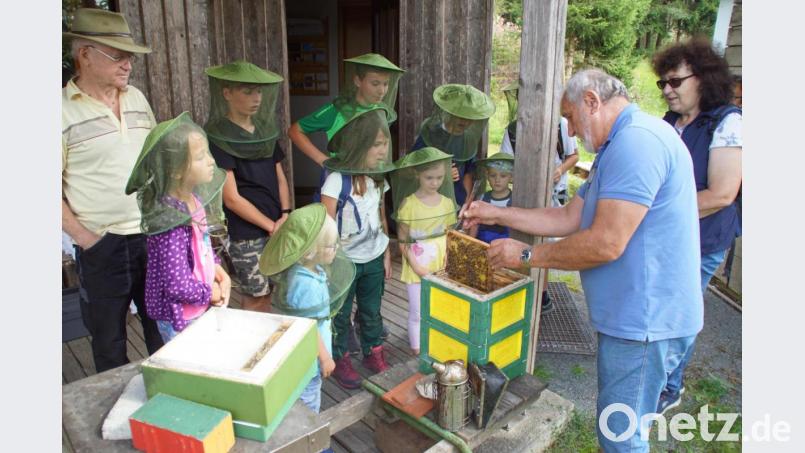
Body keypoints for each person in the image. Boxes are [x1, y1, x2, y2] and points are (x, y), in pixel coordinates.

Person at [463, 69, 703, 452]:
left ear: (592, 101)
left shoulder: (637, 143)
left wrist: (527, 254)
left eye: (571, 117)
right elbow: (568, 218)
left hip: (646, 321)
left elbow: (606, 243)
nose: (570, 132)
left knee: (620, 436)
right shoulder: (618, 145)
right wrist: (497, 214)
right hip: (636, 318)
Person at [62, 8, 164, 371]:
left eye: (130, 58)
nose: (128, 66)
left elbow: (156, 160)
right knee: (108, 341)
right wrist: (88, 240)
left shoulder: (136, 98)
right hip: (102, 245)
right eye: (118, 56)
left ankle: (168, 414)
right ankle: (116, 422)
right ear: (85, 55)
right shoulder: (58, 111)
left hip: (152, 236)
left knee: (163, 332)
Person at [652, 37, 742, 415]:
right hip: (668, 238)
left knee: (680, 316)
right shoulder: (671, 123)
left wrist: (656, 212)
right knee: (659, 310)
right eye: (663, 84)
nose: (668, 90)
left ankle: (670, 386)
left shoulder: (728, 123)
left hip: (703, 241)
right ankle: (657, 374)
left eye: (675, 82)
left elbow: (721, 194)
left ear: (703, 78)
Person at [125, 112, 232, 342]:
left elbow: (202, 246)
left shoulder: (193, 200)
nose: (212, 161)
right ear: (175, 169)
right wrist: (209, 292)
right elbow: (176, 285)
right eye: (202, 156)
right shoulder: (170, 221)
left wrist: (216, 268)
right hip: (181, 319)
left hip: (198, 307)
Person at [204, 60, 291, 313]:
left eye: (259, 91)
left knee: (274, 292)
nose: (256, 98)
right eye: (247, 91)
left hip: (277, 225)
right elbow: (231, 198)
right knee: (256, 296)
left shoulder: (264, 130)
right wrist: (270, 225)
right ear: (227, 93)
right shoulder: (219, 136)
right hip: (247, 233)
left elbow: (280, 177)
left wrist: (284, 215)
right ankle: (257, 350)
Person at [320, 107, 394, 389]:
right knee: (339, 313)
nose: (383, 150)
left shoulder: (378, 177)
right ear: (358, 145)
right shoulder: (336, 181)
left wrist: (386, 251)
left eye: (384, 143)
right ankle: (341, 358)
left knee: (371, 311)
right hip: (344, 262)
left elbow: (381, 215)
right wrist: (329, 266)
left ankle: (373, 352)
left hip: (374, 258)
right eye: (377, 144)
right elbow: (325, 228)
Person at [259, 203, 356, 413]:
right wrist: (325, 357)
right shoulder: (306, 285)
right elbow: (307, 327)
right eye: (331, 245)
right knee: (308, 399)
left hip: (307, 354)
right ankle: (312, 441)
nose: (336, 248)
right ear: (311, 251)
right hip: (308, 358)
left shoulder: (309, 269)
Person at [500, 82, 579, 314]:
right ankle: (519, 290)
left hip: (554, 195)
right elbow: (506, 163)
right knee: (522, 238)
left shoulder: (562, 126)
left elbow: (574, 156)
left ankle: (542, 295)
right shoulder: (513, 130)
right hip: (524, 194)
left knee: (544, 242)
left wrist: (559, 170)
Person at [390, 148, 458, 355]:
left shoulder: (447, 203)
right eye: (429, 177)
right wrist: (416, 264)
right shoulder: (409, 204)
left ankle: (438, 341)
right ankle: (417, 348)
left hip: (441, 263)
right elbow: (402, 240)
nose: (435, 183)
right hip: (417, 263)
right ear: (417, 174)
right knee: (417, 311)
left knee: (442, 307)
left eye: (439, 178)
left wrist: (448, 260)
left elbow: (450, 236)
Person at [288, 53, 405, 167]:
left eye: (386, 84)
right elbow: (295, 131)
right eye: (375, 84)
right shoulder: (336, 110)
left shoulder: (383, 110)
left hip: (372, 178)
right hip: (341, 178)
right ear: (358, 81)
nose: (382, 91)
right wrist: (322, 160)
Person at [411, 84, 495, 208]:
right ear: (451, 113)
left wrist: (466, 200)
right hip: (429, 205)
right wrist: (442, 173)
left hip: (456, 203)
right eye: (461, 116)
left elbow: (468, 172)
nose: (465, 121)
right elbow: (412, 170)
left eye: (469, 117)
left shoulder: (467, 140)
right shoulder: (431, 135)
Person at [469, 153, 514, 244]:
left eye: (503, 176)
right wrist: (470, 242)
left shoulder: (514, 201)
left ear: (511, 177)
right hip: (482, 245)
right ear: (487, 175)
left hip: (506, 248)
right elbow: (475, 224)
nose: (497, 180)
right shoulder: (482, 198)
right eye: (493, 175)